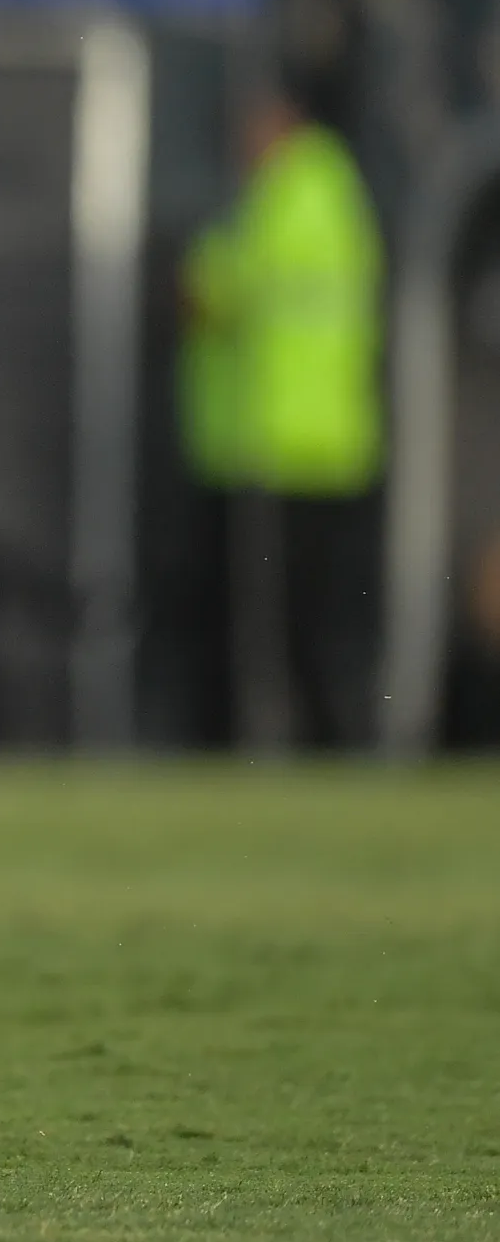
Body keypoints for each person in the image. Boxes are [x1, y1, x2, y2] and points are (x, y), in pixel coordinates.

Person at [186, 85, 384, 746]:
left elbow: (219, 292)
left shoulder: (297, 190)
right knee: (307, 625)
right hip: (318, 443)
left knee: (284, 627)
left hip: (289, 445)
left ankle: (319, 747)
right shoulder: (330, 191)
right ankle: (327, 749)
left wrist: (197, 279)